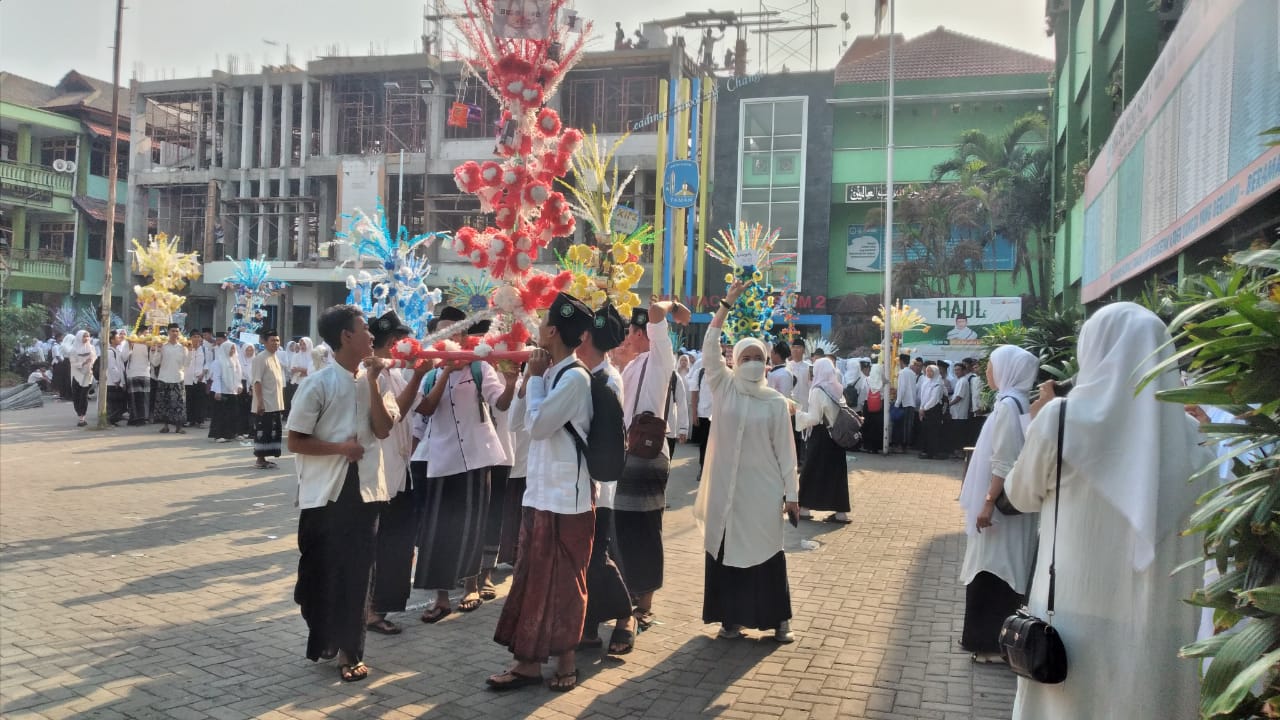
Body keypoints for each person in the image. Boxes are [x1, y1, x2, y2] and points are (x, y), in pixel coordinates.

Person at [1003, 303, 1212, 719]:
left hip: (1072, 622)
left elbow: (1021, 496)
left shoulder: (1061, 420)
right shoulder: (1195, 438)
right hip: (1160, 620)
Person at [489, 292, 596, 692]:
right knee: (530, 579)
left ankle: (566, 662)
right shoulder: (548, 373)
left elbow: (540, 427)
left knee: (566, 584)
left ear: (552, 330)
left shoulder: (575, 377)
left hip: (566, 500)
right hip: (539, 493)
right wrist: (523, 380)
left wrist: (534, 381)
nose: (536, 327)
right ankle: (527, 662)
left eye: (542, 321)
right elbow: (517, 422)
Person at [287, 304, 397, 683]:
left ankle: (351, 651)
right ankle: (327, 637)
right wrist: (340, 449)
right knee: (319, 578)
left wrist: (371, 383)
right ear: (346, 337)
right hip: (325, 496)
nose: (371, 336)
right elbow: (296, 441)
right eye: (365, 329)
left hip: (365, 494)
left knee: (357, 575)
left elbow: (383, 430)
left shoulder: (379, 381)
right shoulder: (316, 384)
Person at [694, 280, 798, 642]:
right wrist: (725, 305)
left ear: (767, 362)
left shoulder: (774, 403)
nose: (752, 364)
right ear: (734, 361)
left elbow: (787, 453)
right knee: (727, 550)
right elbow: (709, 348)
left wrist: (793, 495)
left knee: (766, 551)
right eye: (746, 358)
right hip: (727, 494)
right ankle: (730, 619)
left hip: (763, 493)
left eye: (758, 358)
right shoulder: (723, 386)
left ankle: (778, 620)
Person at [412, 307, 517, 623]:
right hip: (442, 459)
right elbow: (426, 409)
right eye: (442, 334)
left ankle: (471, 586)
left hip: (476, 457)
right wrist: (445, 371)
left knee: (474, 521)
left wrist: (511, 383)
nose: (449, 339)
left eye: (453, 333)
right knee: (439, 528)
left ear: (462, 337)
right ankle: (441, 596)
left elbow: (500, 402)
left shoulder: (479, 369)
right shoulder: (429, 373)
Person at [955, 345, 1040, 663]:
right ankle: (1000, 643)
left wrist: (988, 502)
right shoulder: (1020, 403)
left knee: (992, 568)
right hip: (1014, 508)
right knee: (1003, 567)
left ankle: (990, 644)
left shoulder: (1008, 406)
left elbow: (1003, 461)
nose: (987, 371)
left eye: (991, 365)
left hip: (1001, 511)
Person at [613, 299, 689, 630]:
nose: (625, 339)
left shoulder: (660, 358)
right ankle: (629, 593)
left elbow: (657, 312)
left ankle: (645, 604)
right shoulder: (631, 366)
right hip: (625, 456)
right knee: (623, 529)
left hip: (647, 457)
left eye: (629, 333)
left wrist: (675, 307)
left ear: (643, 333)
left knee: (645, 530)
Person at [574, 303, 637, 655]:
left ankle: (627, 616)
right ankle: (589, 624)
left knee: (596, 556)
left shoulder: (606, 379)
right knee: (587, 557)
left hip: (599, 485)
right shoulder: (589, 373)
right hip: (585, 484)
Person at [364, 311, 432, 636]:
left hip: (399, 470)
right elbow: (397, 413)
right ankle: (371, 610)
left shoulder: (394, 373)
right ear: (393, 342)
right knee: (383, 544)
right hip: (381, 473)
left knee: (398, 543)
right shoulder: (373, 373)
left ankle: (378, 607)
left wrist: (442, 372)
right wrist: (420, 376)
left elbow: (424, 407)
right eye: (402, 340)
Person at [795, 357, 851, 524]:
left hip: (821, 436)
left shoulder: (818, 390)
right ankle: (841, 513)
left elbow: (814, 418)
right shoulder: (837, 388)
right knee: (837, 475)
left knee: (810, 471)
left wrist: (796, 413)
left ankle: (804, 508)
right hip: (837, 437)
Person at [251, 330, 288, 469]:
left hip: (275, 402)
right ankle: (260, 459)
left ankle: (265, 458)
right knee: (263, 431)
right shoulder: (260, 358)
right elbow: (257, 381)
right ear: (265, 342)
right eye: (273, 340)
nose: (276, 343)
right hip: (265, 403)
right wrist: (260, 401)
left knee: (272, 431)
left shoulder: (276, 357)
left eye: (277, 340)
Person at [151, 324, 189, 434]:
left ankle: (179, 426)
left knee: (179, 404)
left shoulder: (183, 348)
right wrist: (156, 350)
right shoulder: (163, 347)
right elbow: (155, 362)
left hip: (178, 378)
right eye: (173, 331)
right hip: (164, 378)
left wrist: (190, 351)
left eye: (177, 331)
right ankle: (165, 426)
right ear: (168, 332)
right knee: (164, 403)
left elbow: (186, 363)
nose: (175, 333)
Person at [208, 342, 242, 443]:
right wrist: (218, 391)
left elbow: (238, 375)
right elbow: (217, 377)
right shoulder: (218, 362)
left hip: (232, 391)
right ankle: (218, 435)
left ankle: (231, 433)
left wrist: (239, 386)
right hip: (221, 391)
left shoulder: (235, 360)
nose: (232, 351)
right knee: (220, 414)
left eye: (233, 349)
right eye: (230, 349)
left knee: (233, 413)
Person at [67, 331, 97, 427]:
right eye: (84, 336)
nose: (86, 338)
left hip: (87, 375)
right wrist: (84, 363)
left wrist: (91, 363)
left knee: (84, 396)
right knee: (76, 396)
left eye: (88, 336)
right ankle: (79, 413)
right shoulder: (73, 350)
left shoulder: (91, 348)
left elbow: (95, 359)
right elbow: (73, 363)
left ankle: (82, 418)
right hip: (77, 375)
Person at [917, 364, 946, 459]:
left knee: (933, 432)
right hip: (925, 409)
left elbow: (934, 399)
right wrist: (922, 407)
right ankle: (925, 451)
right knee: (925, 431)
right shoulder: (926, 382)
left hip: (934, 411)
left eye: (930, 371)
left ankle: (933, 452)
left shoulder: (938, 384)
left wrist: (924, 408)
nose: (928, 373)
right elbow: (923, 396)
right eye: (927, 371)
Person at [891, 353, 918, 451]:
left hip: (904, 402)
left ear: (901, 362)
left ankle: (900, 446)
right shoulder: (912, 373)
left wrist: (897, 403)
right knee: (908, 426)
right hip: (911, 402)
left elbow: (902, 389)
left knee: (901, 426)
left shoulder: (902, 373)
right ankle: (905, 446)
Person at [124, 336, 153, 426]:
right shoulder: (130, 342)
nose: (146, 335)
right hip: (133, 374)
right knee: (134, 398)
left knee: (144, 398)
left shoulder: (150, 343)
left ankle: (143, 418)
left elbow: (152, 359)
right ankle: (134, 418)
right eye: (145, 333)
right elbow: (124, 357)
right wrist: (129, 346)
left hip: (145, 373)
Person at [184, 331, 207, 428]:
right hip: (188, 378)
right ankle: (190, 420)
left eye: (198, 337)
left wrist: (203, 373)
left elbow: (208, 363)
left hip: (200, 378)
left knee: (200, 401)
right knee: (189, 400)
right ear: (190, 338)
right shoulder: (186, 349)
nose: (196, 339)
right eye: (194, 337)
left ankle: (200, 420)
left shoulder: (205, 350)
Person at [106, 331, 128, 425]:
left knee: (117, 402)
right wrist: (117, 380)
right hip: (113, 382)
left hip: (118, 381)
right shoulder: (110, 352)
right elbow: (112, 367)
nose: (120, 338)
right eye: (117, 337)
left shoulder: (116, 351)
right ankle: (111, 420)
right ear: (112, 340)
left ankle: (114, 419)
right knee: (113, 403)